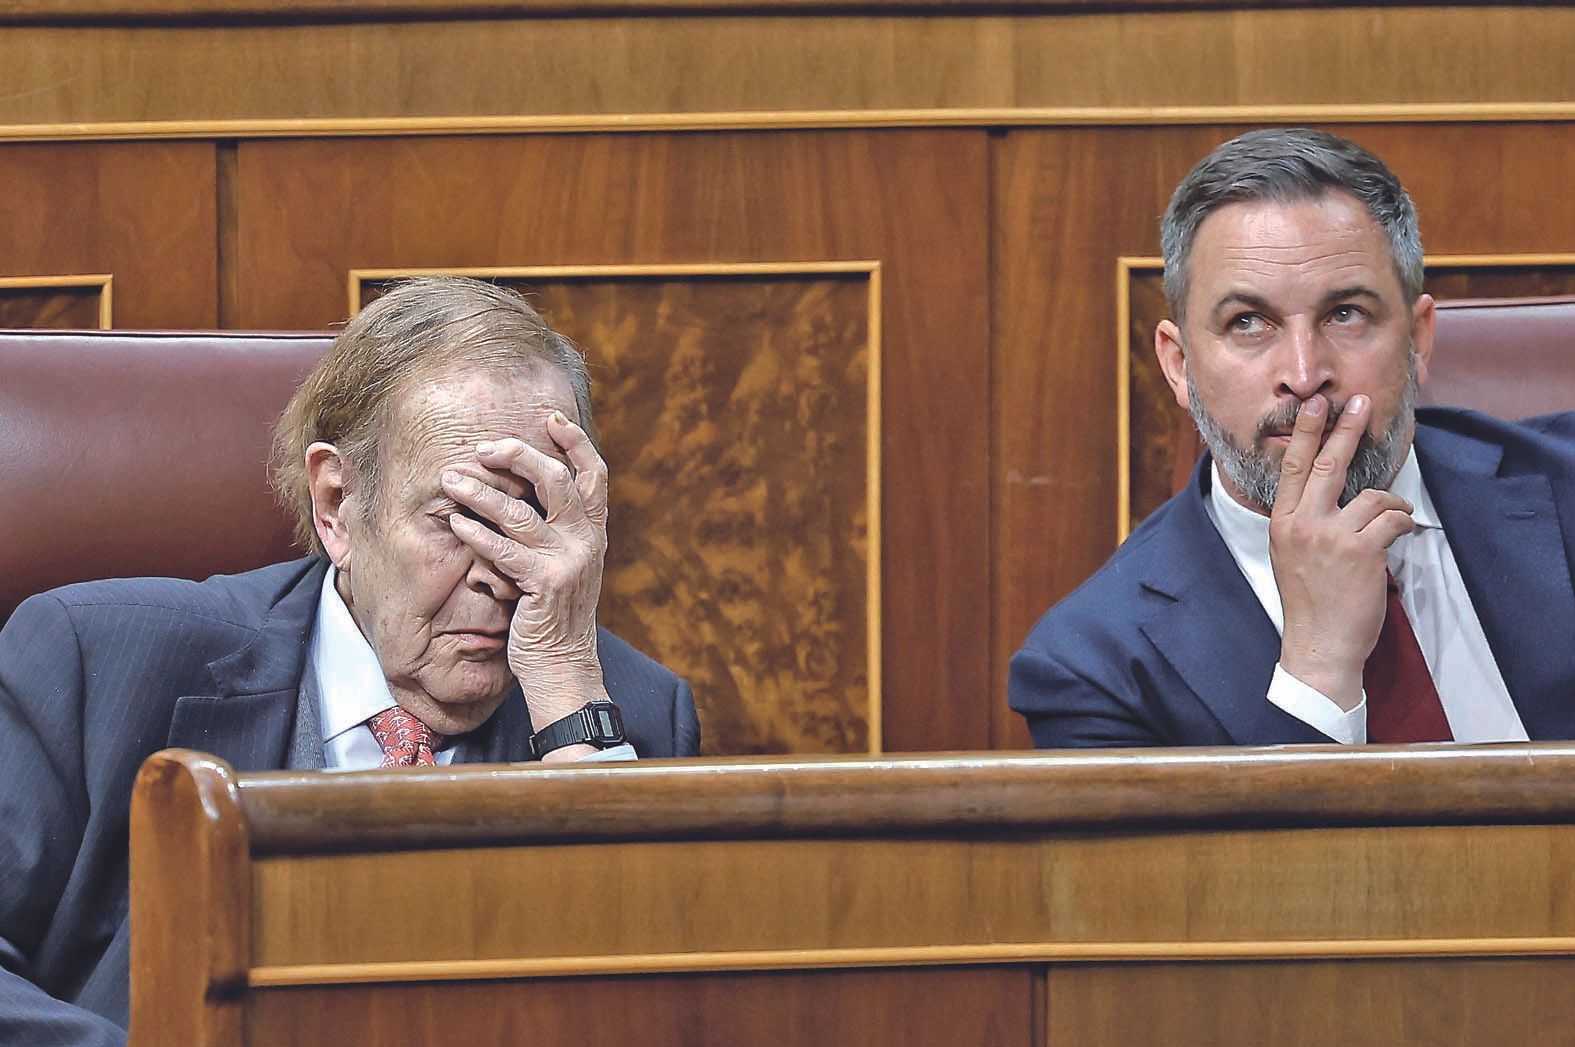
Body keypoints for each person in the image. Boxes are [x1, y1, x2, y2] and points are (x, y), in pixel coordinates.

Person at [0, 276, 701, 1045]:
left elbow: (661, 1008)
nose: (500, 572)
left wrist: (570, 696)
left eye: (534, 515)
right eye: (463, 518)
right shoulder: (96, 665)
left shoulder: (624, 720)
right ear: (336, 504)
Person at [1010, 128, 1575, 749]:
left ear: (1418, 339)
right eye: (1247, 323)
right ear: (1178, 365)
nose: (1305, 377)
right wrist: (1320, 665)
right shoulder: (1094, 669)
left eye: (1345, 314)